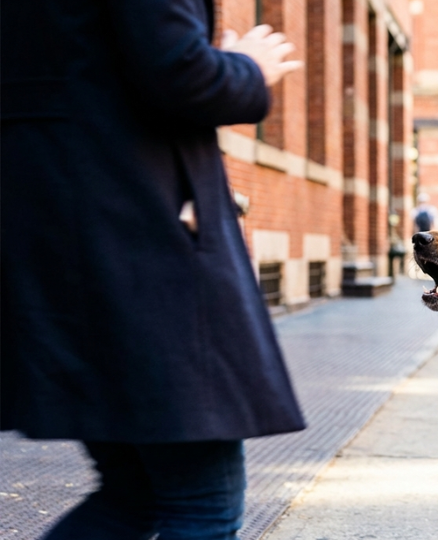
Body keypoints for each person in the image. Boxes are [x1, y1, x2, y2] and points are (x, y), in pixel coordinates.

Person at [1, 1, 306, 538]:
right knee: (203, 502)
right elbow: (179, 73)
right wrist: (247, 68)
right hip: (139, 241)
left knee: (132, 495)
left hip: (63, 233)